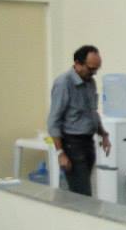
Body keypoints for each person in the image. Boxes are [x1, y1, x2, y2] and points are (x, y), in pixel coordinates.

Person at [47, 45, 111, 196]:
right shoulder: (63, 83)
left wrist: (103, 134)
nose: (94, 73)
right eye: (91, 68)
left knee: (82, 191)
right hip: (72, 144)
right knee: (82, 194)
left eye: (97, 69)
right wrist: (60, 153)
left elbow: (92, 112)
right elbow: (53, 120)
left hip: (88, 142)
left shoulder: (90, 82)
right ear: (77, 64)